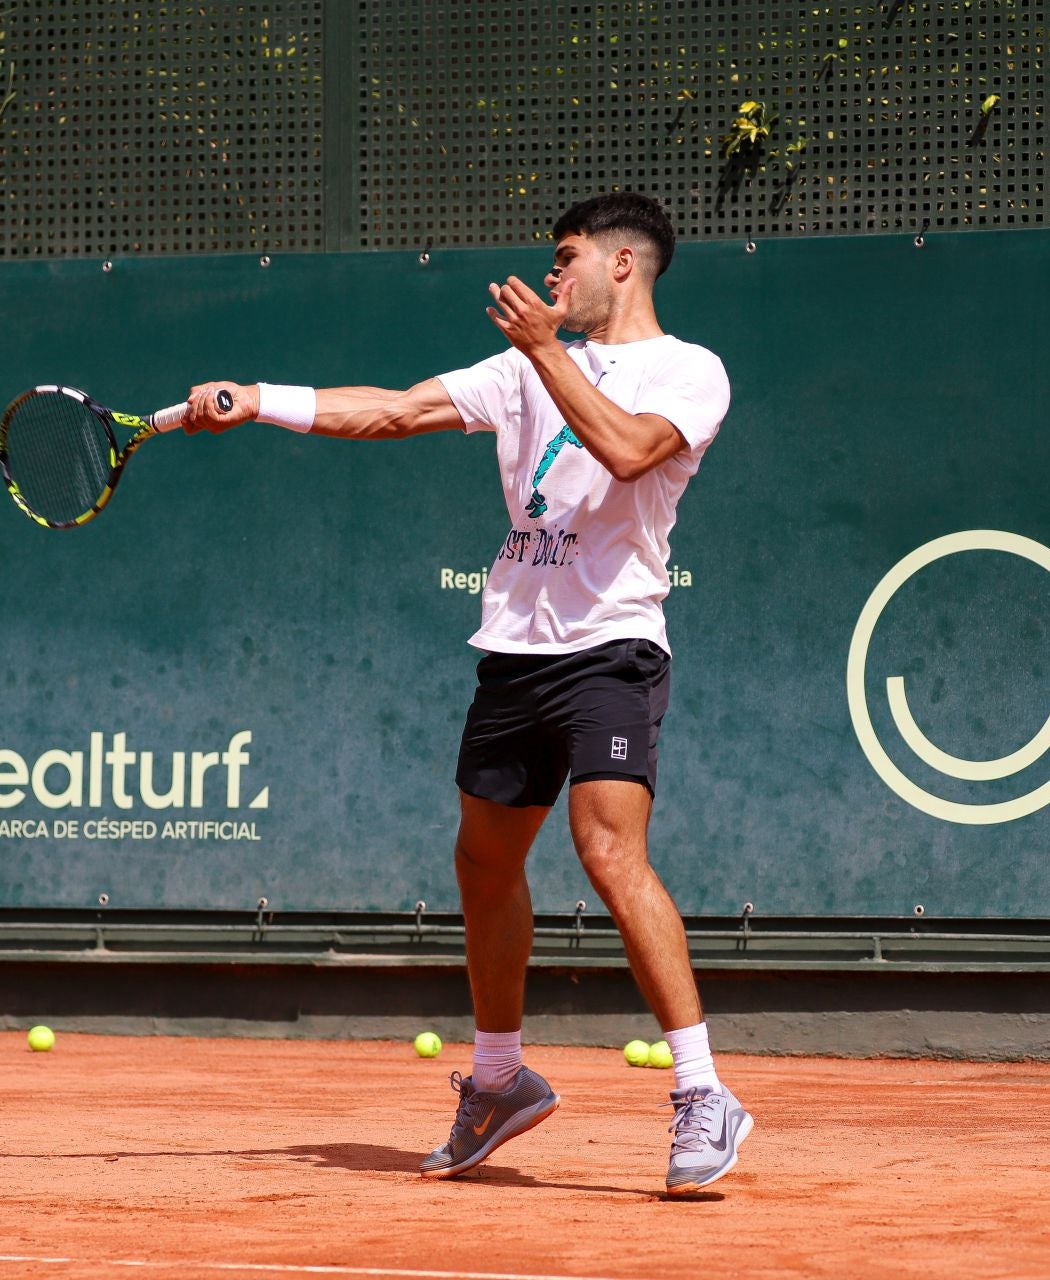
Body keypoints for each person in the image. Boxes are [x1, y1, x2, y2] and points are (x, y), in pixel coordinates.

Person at [184, 192, 748, 1194]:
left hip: (613, 646)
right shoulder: (521, 365)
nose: (551, 275)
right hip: (514, 650)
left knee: (609, 849)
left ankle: (701, 1090)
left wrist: (546, 351)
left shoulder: (689, 370)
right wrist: (258, 396)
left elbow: (624, 450)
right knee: (484, 864)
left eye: (567, 258)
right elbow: (398, 409)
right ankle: (498, 1078)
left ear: (626, 264)